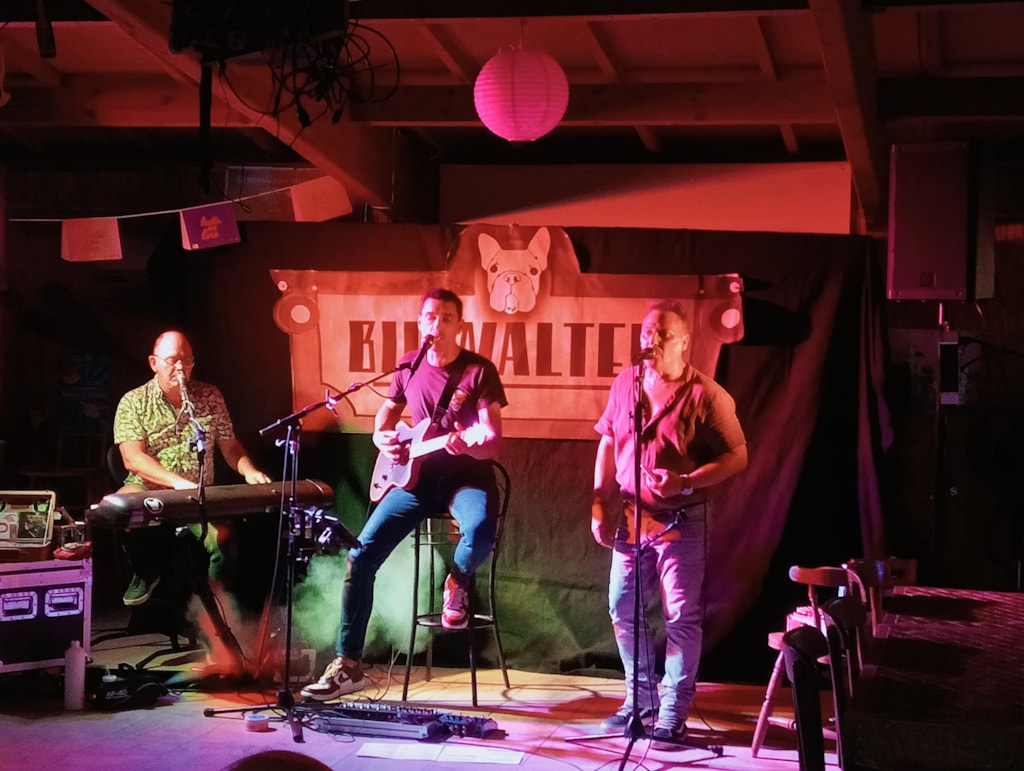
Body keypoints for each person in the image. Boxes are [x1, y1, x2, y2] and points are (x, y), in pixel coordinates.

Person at [301, 288, 507, 701]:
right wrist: (383, 437)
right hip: (415, 482)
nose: (437, 325)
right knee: (359, 558)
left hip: (466, 478)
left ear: (460, 325)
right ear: (420, 322)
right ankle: (349, 665)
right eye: (430, 316)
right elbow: (385, 418)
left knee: (481, 529)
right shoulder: (408, 366)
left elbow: (493, 440)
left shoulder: (478, 371)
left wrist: (468, 444)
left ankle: (458, 578)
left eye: (446, 317)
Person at [591, 299, 747, 750]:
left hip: (682, 521)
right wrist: (598, 501)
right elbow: (608, 440)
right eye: (647, 332)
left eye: (662, 334)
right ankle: (640, 702)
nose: (652, 341)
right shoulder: (626, 383)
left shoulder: (707, 395)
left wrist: (686, 480)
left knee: (680, 616)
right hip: (630, 517)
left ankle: (673, 713)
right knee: (622, 608)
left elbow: (738, 456)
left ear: (684, 342)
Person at [112, 330, 271, 606]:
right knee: (121, 508)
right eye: (172, 360)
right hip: (149, 489)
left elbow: (230, 445)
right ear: (153, 363)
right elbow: (132, 458)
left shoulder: (210, 395)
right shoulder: (133, 401)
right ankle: (145, 571)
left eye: (186, 361)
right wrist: (175, 482)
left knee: (224, 541)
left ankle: (213, 608)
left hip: (197, 494)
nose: (180, 367)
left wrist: (248, 470)